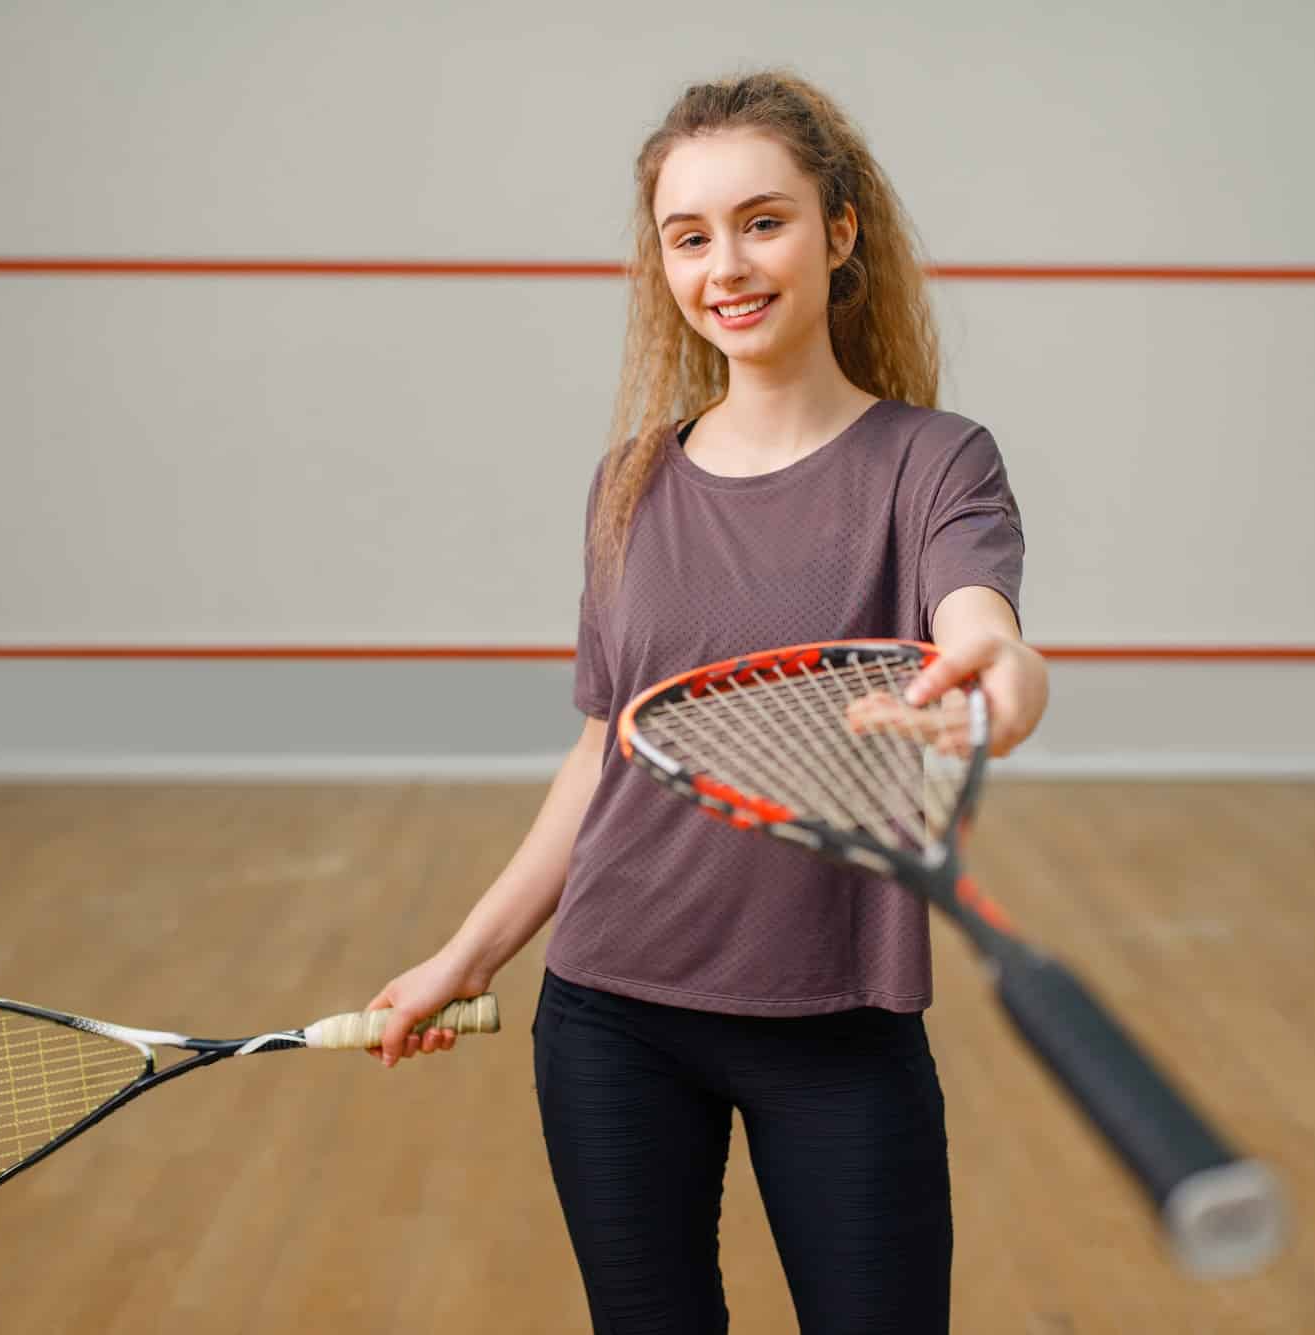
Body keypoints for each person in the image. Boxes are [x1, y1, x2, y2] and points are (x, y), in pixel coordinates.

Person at [364, 70, 1049, 1333]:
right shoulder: (628, 481)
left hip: (837, 1027)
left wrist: (992, 684)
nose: (724, 265)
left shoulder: (933, 462)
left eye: (761, 221)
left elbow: (982, 626)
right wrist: (460, 958)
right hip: (610, 1019)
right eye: (688, 237)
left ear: (838, 233)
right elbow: (600, 758)